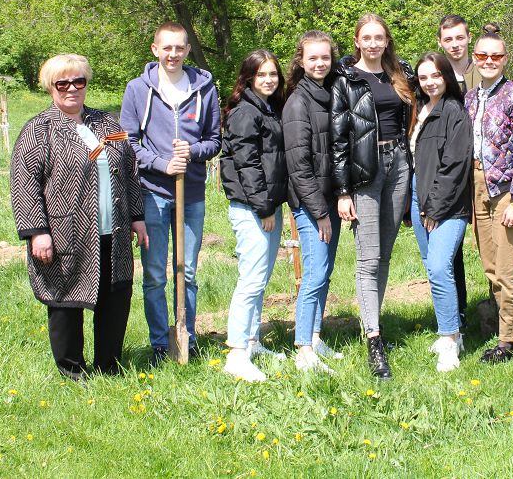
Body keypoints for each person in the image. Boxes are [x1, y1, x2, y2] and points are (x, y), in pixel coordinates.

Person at [10, 54, 147, 379]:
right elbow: (24, 182)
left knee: (115, 298)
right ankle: (72, 371)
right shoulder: (39, 130)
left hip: (113, 229)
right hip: (65, 233)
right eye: (63, 83)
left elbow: (129, 168)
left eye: (78, 81)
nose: (71, 88)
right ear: (50, 87)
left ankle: (109, 366)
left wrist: (137, 216)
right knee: (65, 300)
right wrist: (37, 231)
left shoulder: (108, 124)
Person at [121, 22, 222, 366]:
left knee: (187, 272)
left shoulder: (205, 89)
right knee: (154, 274)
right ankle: (160, 345)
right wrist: (163, 164)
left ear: (188, 50)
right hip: (153, 193)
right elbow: (129, 143)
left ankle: (186, 338)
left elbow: (214, 141)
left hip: (190, 194)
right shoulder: (138, 89)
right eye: (167, 48)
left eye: (180, 48)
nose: (173, 54)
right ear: (155, 50)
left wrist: (191, 152)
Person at [331, 13, 416, 379]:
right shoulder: (346, 79)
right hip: (364, 170)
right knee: (368, 257)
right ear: (357, 41)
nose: (373, 43)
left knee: (384, 255)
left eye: (379, 37)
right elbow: (338, 138)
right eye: (366, 38)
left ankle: (374, 322)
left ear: (386, 40)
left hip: (399, 165)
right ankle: (374, 341)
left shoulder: (400, 74)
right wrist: (343, 190)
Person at [465, 26, 513, 363]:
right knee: (491, 267)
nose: (489, 61)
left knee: (509, 269)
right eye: (482, 55)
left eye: (496, 56)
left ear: (505, 59)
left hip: (506, 191)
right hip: (478, 185)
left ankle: (509, 341)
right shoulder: (471, 97)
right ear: (475, 58)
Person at [219, 50, 289, 382]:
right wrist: (263, 207)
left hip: (268, 205)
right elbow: (247, 164)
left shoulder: (268, 108)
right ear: (248, 78)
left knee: (260, 278)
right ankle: (236, 354)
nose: (268, 80)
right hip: (253, 208)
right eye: (261, 74)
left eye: (273, 74)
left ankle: (251, 341)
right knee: (251, 280)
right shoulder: (245, 113)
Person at [283, 31, 345, 373]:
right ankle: (303, 348)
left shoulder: (329, 93)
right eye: (313, 58)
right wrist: (319, 212)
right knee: (315, 273)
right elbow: (299, 165)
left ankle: (316, 336)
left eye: (325, 57)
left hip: (330, 200)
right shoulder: (298, 103)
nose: (320, 63)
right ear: (301, 61)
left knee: (325, 272)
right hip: (311, 205)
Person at [409, 52, 473, 372]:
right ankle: (451, 331)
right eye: (424, 77)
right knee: (432, 266)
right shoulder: (419, 108)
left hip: (447, 203)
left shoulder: (454, 112)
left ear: (446, 75)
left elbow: (454, 165)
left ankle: (449, 339)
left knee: (438, 266)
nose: (430, 82)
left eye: (436, 75)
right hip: (418, 197)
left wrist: (433, 207)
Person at [436, 14, 477, 328]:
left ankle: (501, 311)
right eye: (448, 39)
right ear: (440, 42)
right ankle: (458, 311)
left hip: (483, 170)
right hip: (451, 171)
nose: (454, 45)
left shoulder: (484, 69)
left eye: (459, 38)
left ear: (468, 38)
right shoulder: (437, 76)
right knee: (452, 248)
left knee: (493, 246)